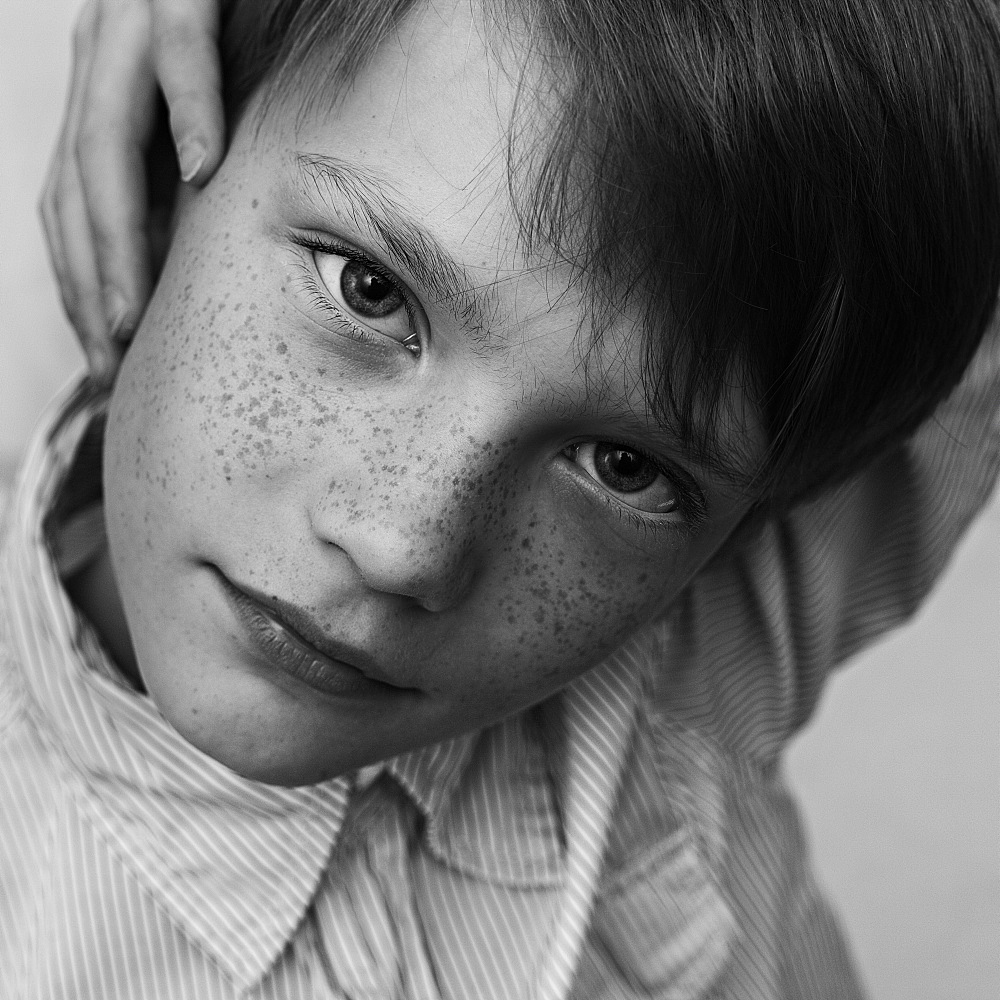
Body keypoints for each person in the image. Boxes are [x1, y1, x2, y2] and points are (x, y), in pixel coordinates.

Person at [4, 1, 999, 997]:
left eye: (621, 466)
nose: (405, 546)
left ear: (735, 532)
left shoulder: (697, 652)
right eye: (368, 290)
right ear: (150, 177)